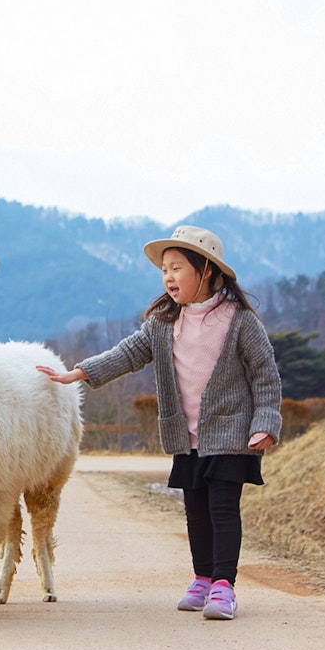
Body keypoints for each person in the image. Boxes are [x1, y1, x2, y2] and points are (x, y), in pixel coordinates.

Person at [37, 225, 281, 621]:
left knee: (222, 509)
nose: (168, 277)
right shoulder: (164, 323)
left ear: (206, 272)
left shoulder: (239, 321)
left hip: (233, 433)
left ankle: (224, 586)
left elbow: (265, 375)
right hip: (187, 436)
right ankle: (202, 579)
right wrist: (79, 373)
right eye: (164, 269)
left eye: (177, 268)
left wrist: (266, 421)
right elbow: (127, 353)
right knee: (195, 511)